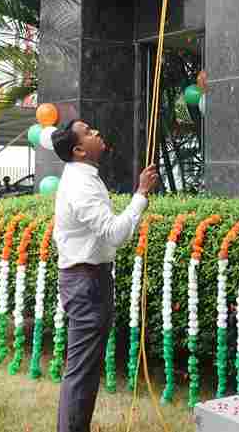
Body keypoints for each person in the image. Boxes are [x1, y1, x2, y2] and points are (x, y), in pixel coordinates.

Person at [51, 120, 159, 432]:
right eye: (88, 132)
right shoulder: (81, 184)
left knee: (84, 371)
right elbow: (114, 233)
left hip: (88, 280)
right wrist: (141, 193)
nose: (97, 132)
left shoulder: (84, 176)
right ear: (79, 150)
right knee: (82, 373)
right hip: (86, 282)